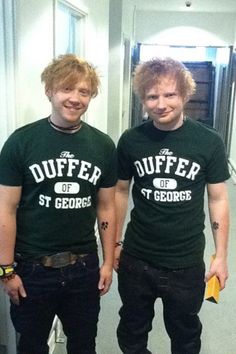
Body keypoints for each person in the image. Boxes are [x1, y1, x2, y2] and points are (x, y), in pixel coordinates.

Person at [0, 54, 117, 354]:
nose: (75, 98)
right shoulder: (21, 142)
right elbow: (5, 209)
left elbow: (106, 207)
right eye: (67, 89)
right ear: (49, 90)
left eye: (84, 92)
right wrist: (5, 271)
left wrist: (106, 262)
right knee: (32, 346)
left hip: (83, 266)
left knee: (83, 345)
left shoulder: (103, 145)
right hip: (31, 269)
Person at [114, 57, 230, 354]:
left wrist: (220, 256)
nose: (161, 104)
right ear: (143, 99)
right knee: (131, 331)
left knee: (186, 336)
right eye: (152, 96)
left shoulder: (209, 142)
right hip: (137, 259)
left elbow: (217, 199)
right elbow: (120, 192)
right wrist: (114, 243)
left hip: (185, 263)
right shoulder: (131, 140)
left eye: (170, 95)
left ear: (185, 95)